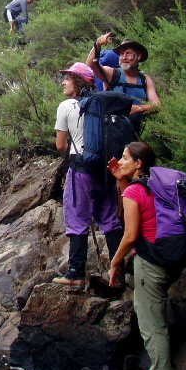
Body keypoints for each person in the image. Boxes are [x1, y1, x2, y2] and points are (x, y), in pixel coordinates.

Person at [108, 142, 174, 370]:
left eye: (125, 158)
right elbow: (135, 214)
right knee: (158, 316)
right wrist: (120, 181)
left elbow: (131, 233)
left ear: (138, 164)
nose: (119, 161)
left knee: (152, 327)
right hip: (170, 256)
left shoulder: (134, 192)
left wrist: (115, 262)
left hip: (150, 262)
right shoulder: (155, 184)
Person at [52, 62, 123, 288]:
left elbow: (61, 145)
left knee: (77, 219)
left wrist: (76, 157)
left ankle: (75, 273)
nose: (63, 82)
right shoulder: (102, 103)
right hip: (107, 169)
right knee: (110, 220)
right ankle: (118, 273)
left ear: (79, 81)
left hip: (81, 169)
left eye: (68, 79)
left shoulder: (66, 106)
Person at [86, 34, 160, 133]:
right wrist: (98, 44)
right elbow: (91, 65)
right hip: (110, 135)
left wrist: (138, 108)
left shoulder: (145, 80)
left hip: (134, 134)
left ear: (138, 56)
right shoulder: (112, 74)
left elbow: (157, 105)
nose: (124, 57)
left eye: (128, 53)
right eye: (121, 54)